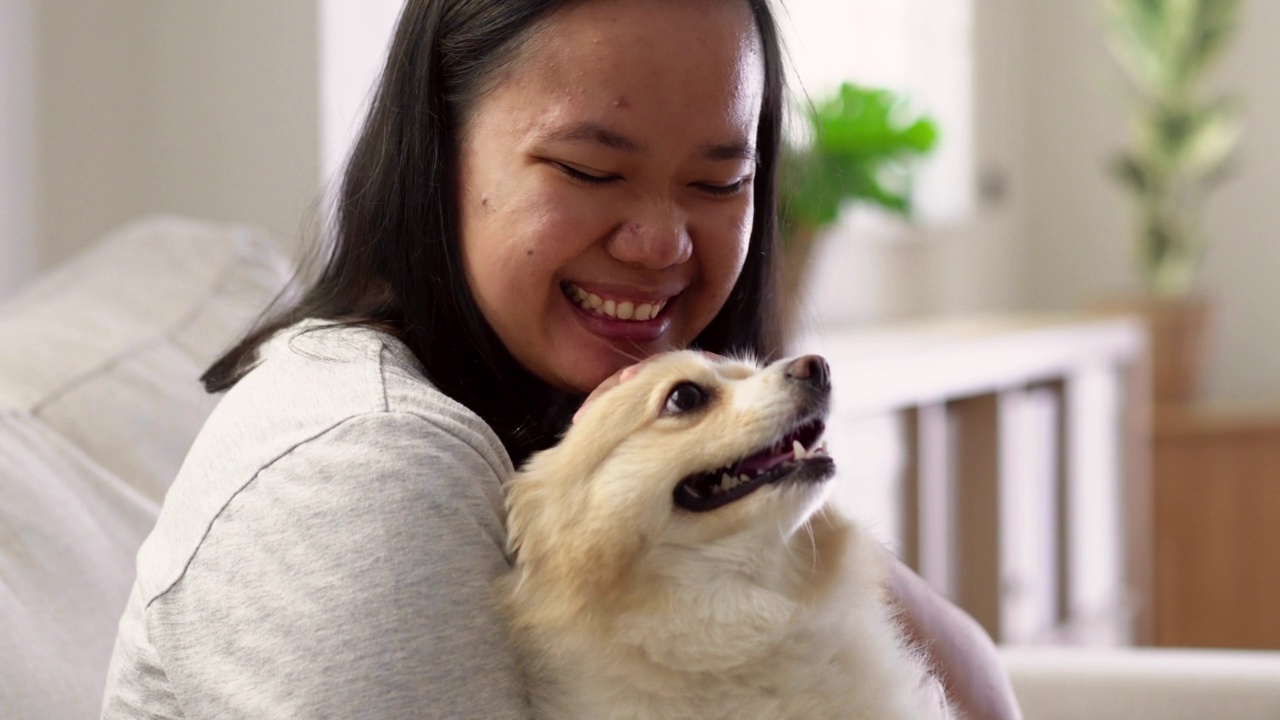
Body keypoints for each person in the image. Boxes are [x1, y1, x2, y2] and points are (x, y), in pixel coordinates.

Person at [102, 0, 1022, 717]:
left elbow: (982, 693)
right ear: (439, 152)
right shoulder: (371, 469)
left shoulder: (544, 402)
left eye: (720, 182)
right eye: (589, 171)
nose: (664, 243)